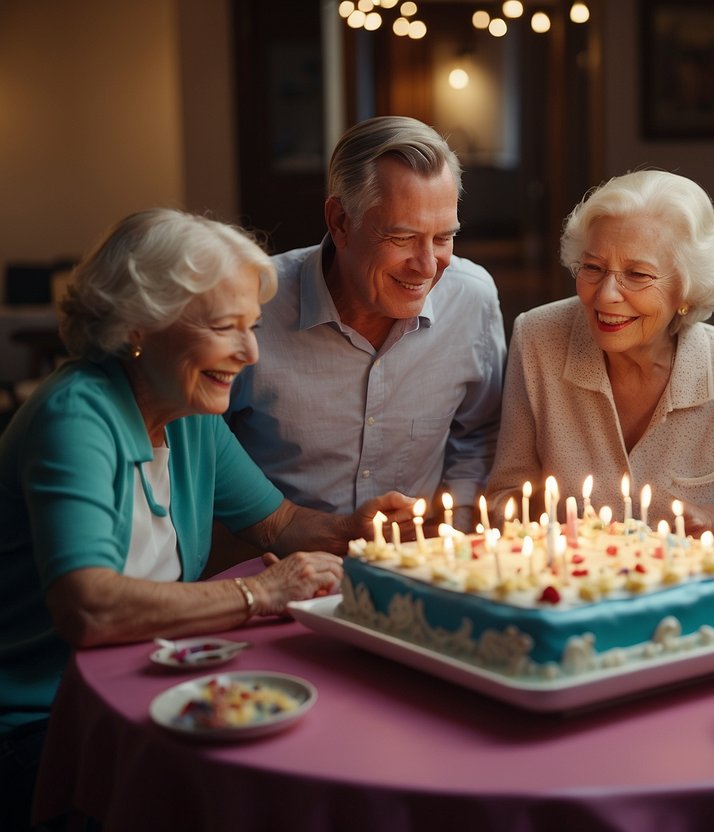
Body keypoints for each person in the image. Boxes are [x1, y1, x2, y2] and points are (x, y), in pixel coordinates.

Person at [0, 210, 412, 830]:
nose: (249, 353)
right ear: (140, 326)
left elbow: (278, 525)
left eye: (251, 327)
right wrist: (261, 593)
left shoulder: (188, 411)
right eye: (225, 328)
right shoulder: (75, 417)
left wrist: (354, 530)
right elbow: (88, 608)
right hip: (46, 723)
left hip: (150, 689)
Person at [227, 116, 506, 528]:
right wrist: (275, 529)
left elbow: (479, 434)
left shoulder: (472, 299)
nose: (427, 267)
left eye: (443, 237)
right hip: (274, 561)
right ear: (340, 222)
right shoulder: (250, 305)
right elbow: (202, 448)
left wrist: (452, 523)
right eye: (401, 238)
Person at [486, 170, 714, 538]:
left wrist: (713, 518)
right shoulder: (538, 337)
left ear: (687, 289)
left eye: (638, 274)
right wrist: (538, 531)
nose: (606, 296)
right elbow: (507, 491)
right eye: (593, 268)